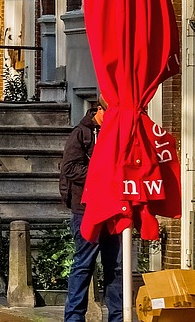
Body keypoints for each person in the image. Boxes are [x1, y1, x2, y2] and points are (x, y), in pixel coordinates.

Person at [60, 99, 122, 322]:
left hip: (113, 208)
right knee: (84, 264)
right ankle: (74, 318)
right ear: (99, 110)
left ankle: (118, 317)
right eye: (112, 113)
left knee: (115, 266)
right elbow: (69, 168)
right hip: (85, 209)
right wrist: (103, 173)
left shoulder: (116, 132)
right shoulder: (81, 133)